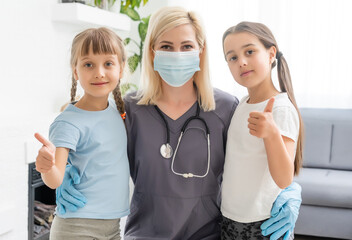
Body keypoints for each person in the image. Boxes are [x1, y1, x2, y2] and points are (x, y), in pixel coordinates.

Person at [35, 6, 302, 240]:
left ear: (200, 50)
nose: (177, 54)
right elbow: (92, 133)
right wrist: (67, 168)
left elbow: (254, 158)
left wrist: (290, 190)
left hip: (208, 234)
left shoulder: (226, 108)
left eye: (186, 46)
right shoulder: (129, 109)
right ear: (152, 52)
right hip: (144, 234)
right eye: (166, 46)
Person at [34, 27, 130, 239]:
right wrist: (47, 168)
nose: (99, 72)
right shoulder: (69, 122)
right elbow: (55, 179)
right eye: (88, 64)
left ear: (121, 69)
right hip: (76, 229)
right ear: (76, 71)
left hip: (113, 227)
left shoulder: (118, 111)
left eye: (108, 63)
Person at [220, 21, 303, 240]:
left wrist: (272, 134)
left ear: (271, 53)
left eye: (249, 51)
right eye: (233, 57)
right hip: (230, 218)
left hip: (262, 223)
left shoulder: (282, 108)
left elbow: (285, 179)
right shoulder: (241, 104)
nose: (242, 62)